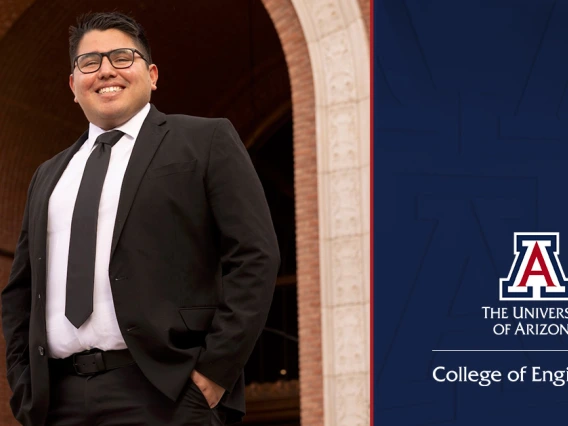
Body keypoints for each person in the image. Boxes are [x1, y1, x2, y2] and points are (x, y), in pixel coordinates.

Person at [1, 11, 279, 426]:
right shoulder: (49, 174)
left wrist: (213, 374)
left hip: (166, 394)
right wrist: (24, 386)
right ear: (73, 86)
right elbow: (20, 290)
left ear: (151, 74)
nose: (105, 70)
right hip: (56, 402)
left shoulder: (204, 141)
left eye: (122, 57)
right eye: (89, 62)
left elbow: (255, 256)